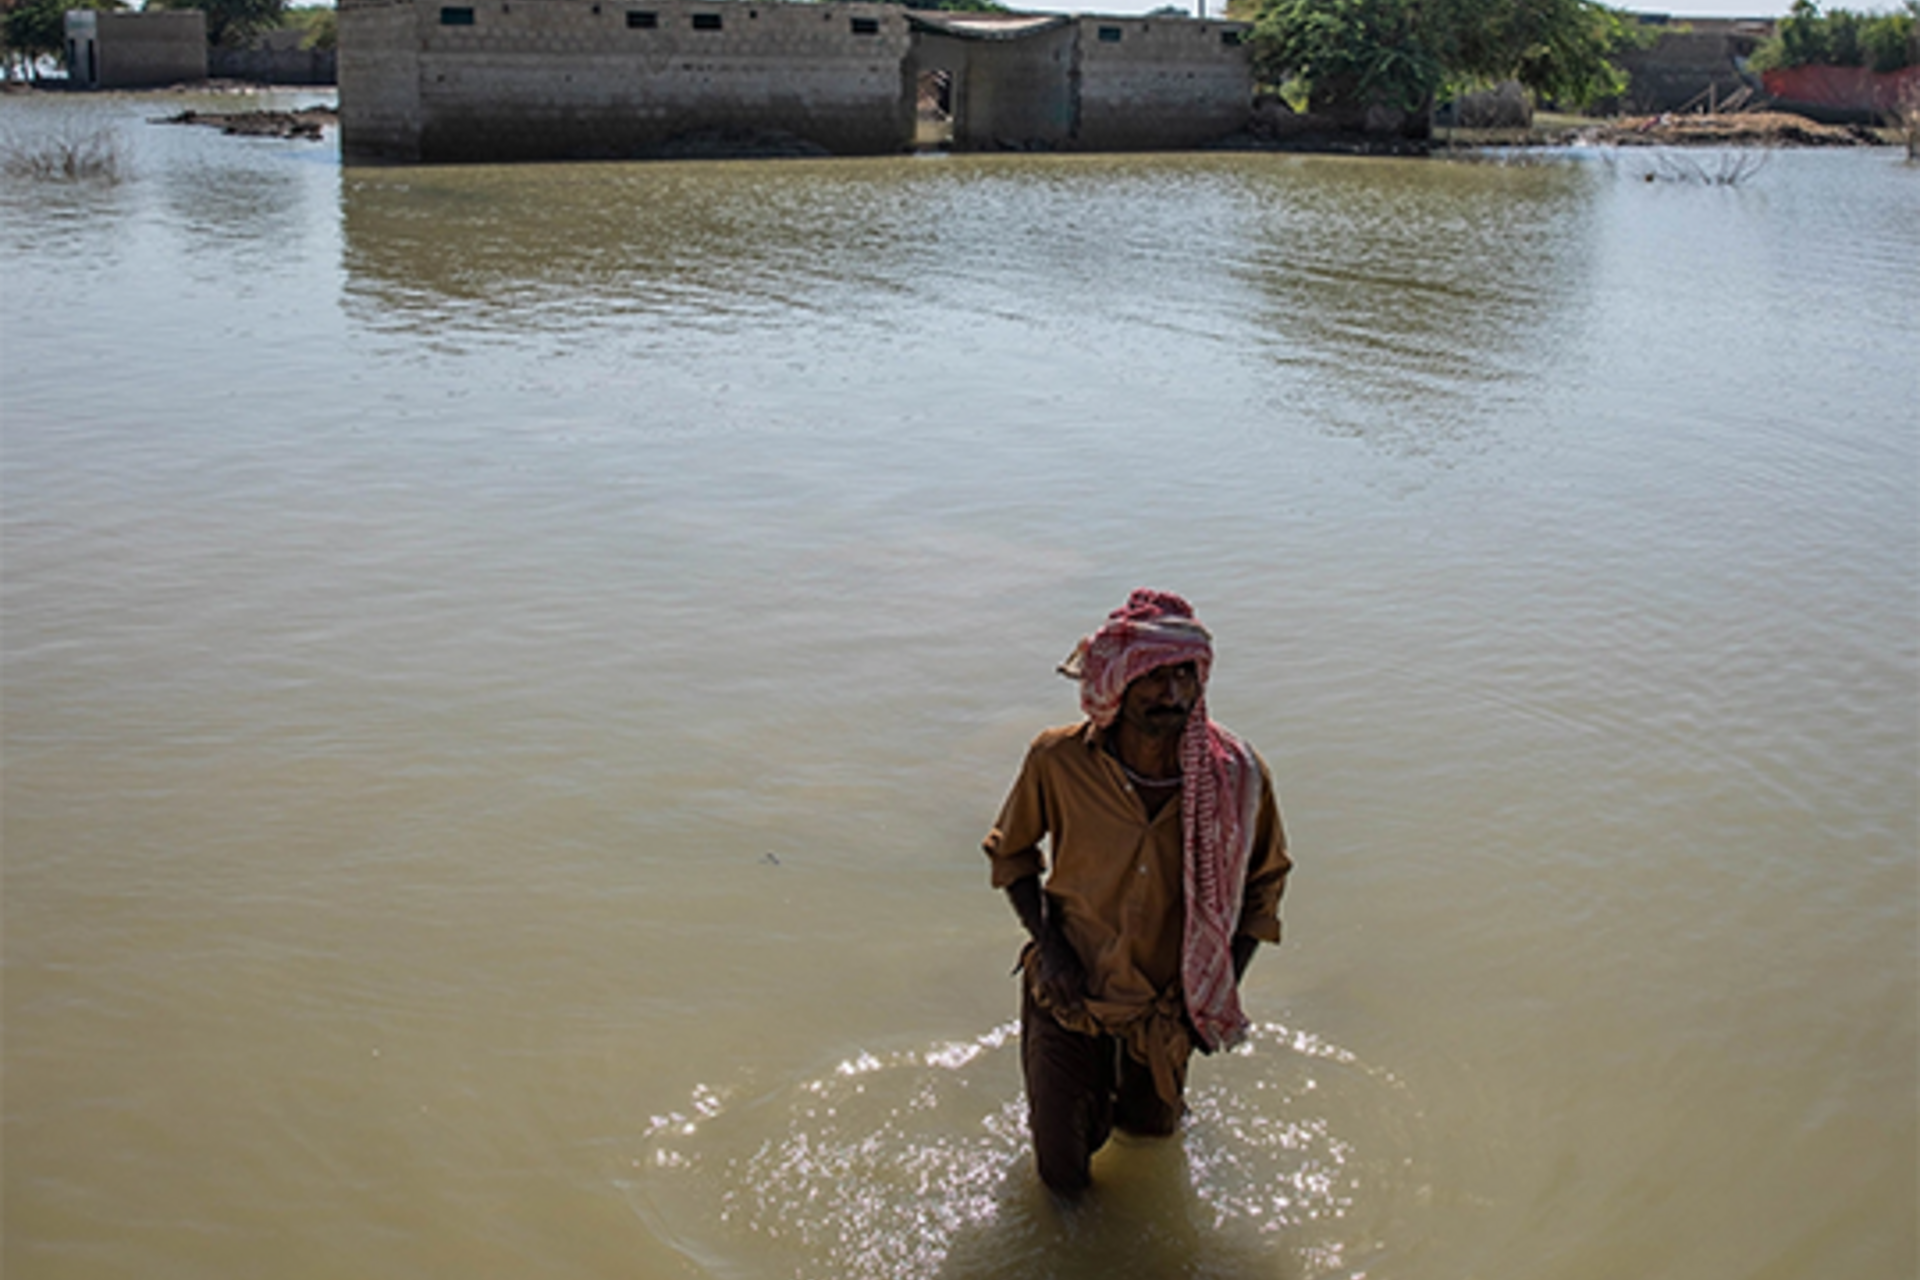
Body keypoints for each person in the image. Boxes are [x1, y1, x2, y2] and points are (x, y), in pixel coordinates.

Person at [982, 589, 1291, 1196]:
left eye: (1184, 678)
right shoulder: (1058, 760)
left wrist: (1213, 991)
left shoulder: (1234, 777)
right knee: (1061, 1175)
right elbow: (1012, 854)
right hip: (1068, 994)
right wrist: (1051, 946)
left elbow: (1264, 889)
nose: (1172, 696)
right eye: (1154, 679)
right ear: (1118, 685)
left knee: (1150, 1144)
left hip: (1165, 1011)